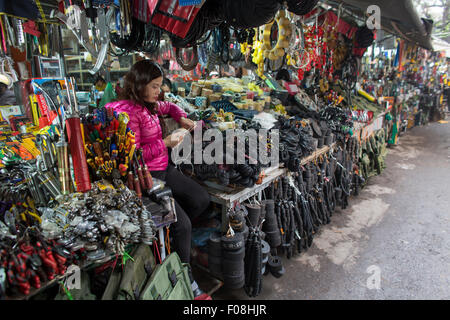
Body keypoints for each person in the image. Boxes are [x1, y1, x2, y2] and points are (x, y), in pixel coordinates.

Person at [105, 60, 211, 299]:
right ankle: (187, 276)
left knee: (201, 199)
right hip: (147, 177)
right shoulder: (127, 112)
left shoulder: (149, 104)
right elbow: (132, 155)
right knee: (183, 225)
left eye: (159, 85)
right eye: (154, 86)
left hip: (165, 168)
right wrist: (165, 142)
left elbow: (170, 106)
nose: (158, 91)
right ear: (139, 84)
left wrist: (182, 117)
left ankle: (174, 238)